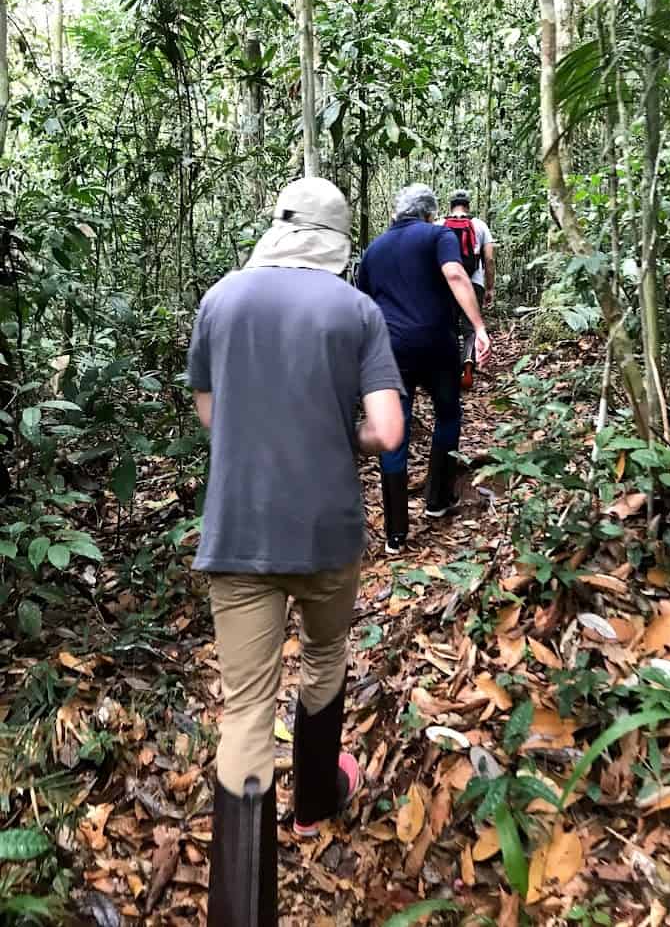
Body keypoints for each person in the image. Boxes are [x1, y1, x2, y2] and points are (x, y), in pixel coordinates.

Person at [187, 177, 405, 925]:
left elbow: (211, 413)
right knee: (323, 657)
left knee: (245, 709)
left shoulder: (221, 299)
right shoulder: (356, 310)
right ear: (338, 241)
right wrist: (333, 433)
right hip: (325, 532)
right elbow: (387, 430)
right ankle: (314, 799)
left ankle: (242, 913)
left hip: (239, 529)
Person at [357, 183, 491, 554]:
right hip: (436, 343)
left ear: (396, 213)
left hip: (389, 351)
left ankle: (395, 534)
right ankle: (437, 500)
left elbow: (363, 302)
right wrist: (478, 327)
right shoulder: (439, 235)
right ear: (431, 213)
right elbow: (454, 275)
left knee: (393, 429)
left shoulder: (374, 249)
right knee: (448, 415)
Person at [444, 189, 496, 389]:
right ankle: (467, 362)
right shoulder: (480, 225)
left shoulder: (441, 224)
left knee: (448, 326)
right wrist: (490, 288)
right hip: (474, 283)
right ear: (468, 205)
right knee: (469, 328)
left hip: (447, 283)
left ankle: (448, 369)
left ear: (451, 205)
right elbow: (489, 259)